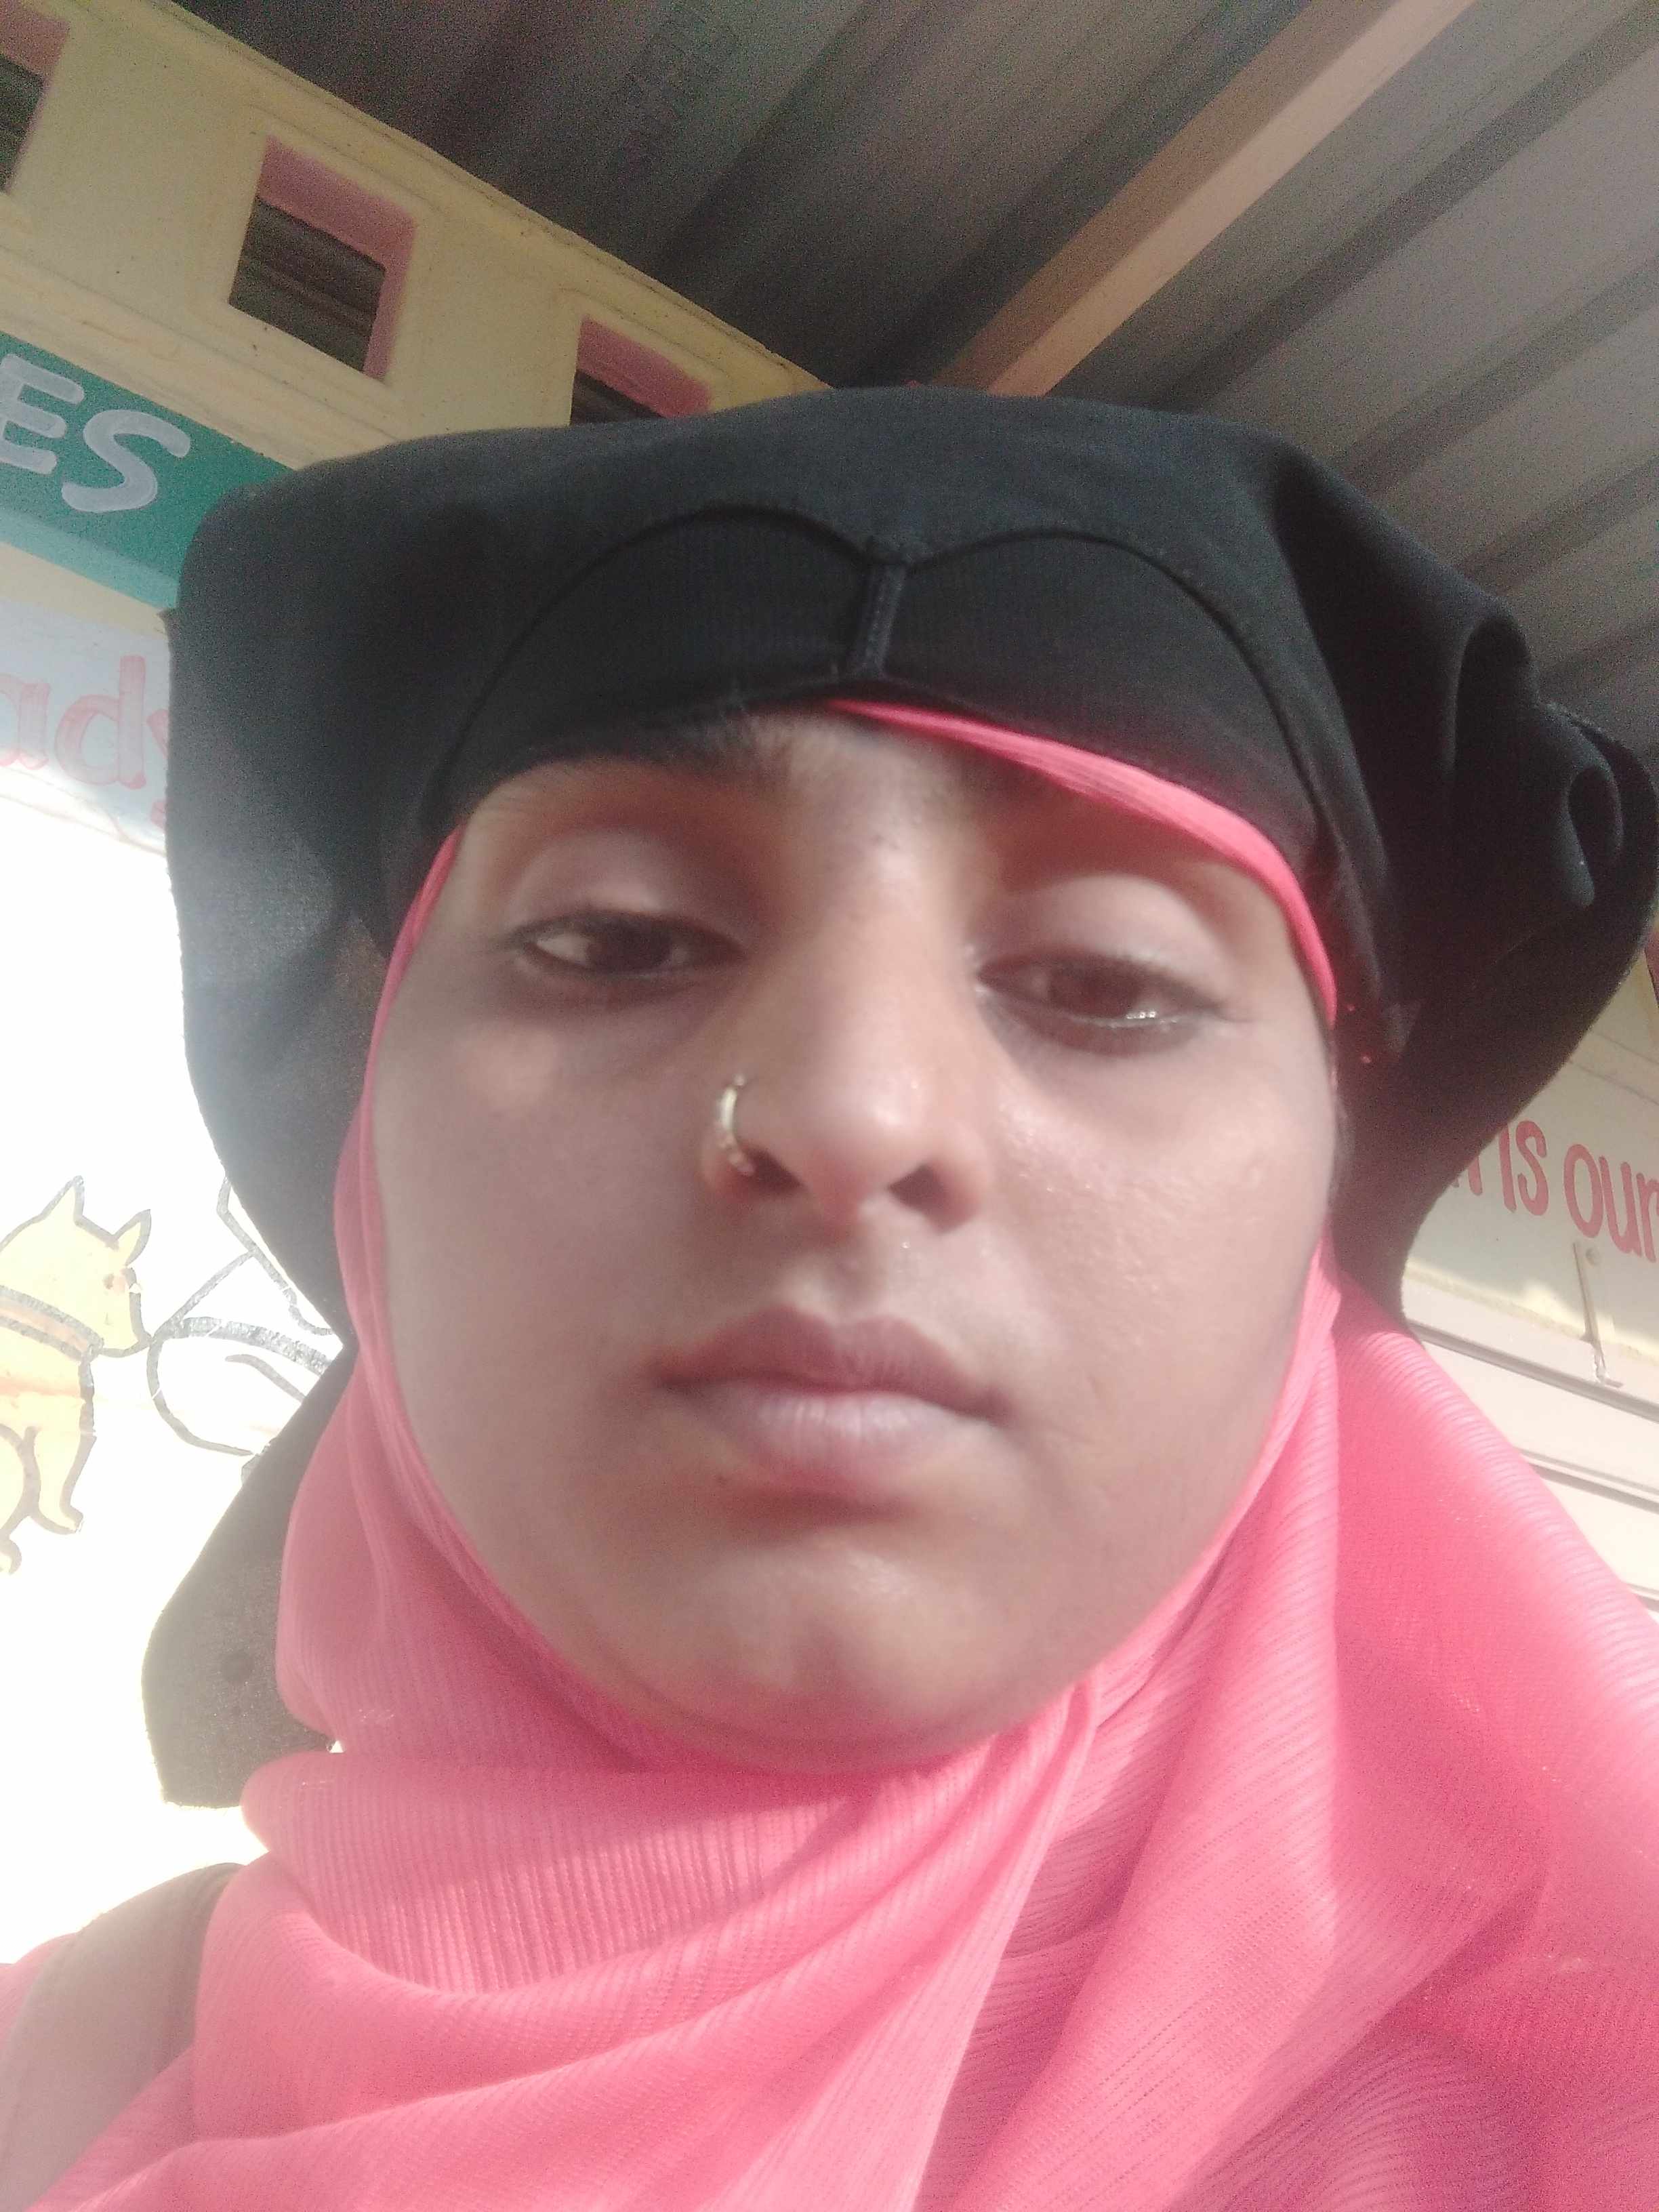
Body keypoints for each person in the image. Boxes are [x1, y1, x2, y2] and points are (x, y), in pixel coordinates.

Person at [2, 387, 1657, 2209]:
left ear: (1321, 1199)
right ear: (365, 1151)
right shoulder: (51, 2083)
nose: (851, 1113)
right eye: (617, 938)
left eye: (1105, 982)